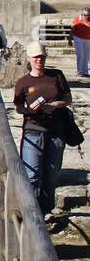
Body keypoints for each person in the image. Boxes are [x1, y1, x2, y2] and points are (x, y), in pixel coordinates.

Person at [14, 41, 77, 221]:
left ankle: (46, 209)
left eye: (41, 57)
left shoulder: (56, 76)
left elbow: (68, 97)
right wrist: (30, 109)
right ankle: (31, 211)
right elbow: (18, 106)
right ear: (29, 59)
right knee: (32, 174)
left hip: (56, 131)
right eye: (36, 57)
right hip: (33, 131)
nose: (39, 60)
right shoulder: (23, 82)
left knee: (50, 173)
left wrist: (56, 104)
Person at [70, 7, 90, 77]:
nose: (87, 17)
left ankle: (85, 72)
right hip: (78, 37)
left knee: (86, 56)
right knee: (80, 54)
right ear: (83, 15)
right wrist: (70, 39)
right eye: (86, 15)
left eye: (88, 15)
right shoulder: (77, 19)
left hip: (87, 38)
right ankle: (79, 71)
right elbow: (72, 29)